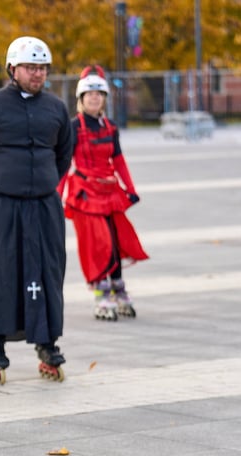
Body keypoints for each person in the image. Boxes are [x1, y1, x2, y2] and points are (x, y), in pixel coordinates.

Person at [0, 36, 74, 385]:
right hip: (0, 204)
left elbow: (64, 155)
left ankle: (47, 343)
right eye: (30, 67)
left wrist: (45, 183)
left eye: (42, 68)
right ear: (13, 68)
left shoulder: (56, 109)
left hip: (43, 203)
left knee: (47, 272)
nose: (37, 74)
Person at [57, 65, 149, 321]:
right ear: (81, 99)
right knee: (100, 245)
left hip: (109, 193)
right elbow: (64, 164)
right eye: (89, 94)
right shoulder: (73, 127)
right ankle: (101, 294)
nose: (94, 98)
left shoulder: (110, 127)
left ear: (105, 98)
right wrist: (57, 196)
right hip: (85, 195)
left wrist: (130, 190)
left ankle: (118, 290)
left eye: (99, 94)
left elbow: (119, 161)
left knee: (118, 240)